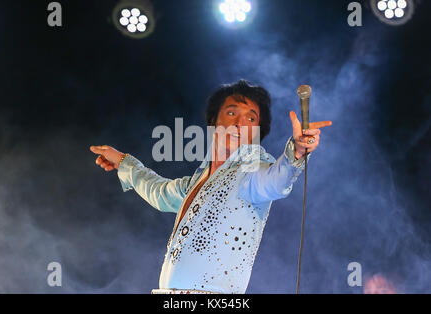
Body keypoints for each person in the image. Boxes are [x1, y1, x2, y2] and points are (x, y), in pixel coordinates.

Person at [90, 80, 332, 294]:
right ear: (214, 121)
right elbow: (160, 192)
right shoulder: (198, 180)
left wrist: (297, 152)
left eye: (251, 118)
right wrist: (123, 161)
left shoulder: (253, 169)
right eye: (231, 113)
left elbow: (276, 180)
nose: (239, 123)